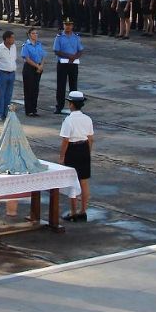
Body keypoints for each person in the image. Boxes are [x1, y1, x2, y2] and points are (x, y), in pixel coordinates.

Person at [59, 91, 95, 222]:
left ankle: (73, 212)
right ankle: (83, 211)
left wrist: (62, 156)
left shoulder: (68, 121)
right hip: (84, 148)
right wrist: (87, 152)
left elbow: (65, 141)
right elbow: (91, 138)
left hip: (72, 150)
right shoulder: (87, 119)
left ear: (71, 104)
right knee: (84, 181)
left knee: (72, 182)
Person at [53, 20, 83, 114]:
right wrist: (68, 56)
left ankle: (75, 106)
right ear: (64, 25)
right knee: (61, 86)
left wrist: (74, 57)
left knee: (73, 85)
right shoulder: (59, 37)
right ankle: (59, 106)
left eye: (70, 25)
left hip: (73, 64)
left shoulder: (76, 37)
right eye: (66, 25)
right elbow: (56, 51)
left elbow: (80, 50)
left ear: (72, 26)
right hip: (62, 64)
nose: (68, 27)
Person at [0, 30, 17, 121]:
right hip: (2, 73)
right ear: (6, 39)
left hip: (12, 73)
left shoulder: (13, 47)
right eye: (12, 38)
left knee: (8, 95)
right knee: (0, 95)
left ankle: (6, 114)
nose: (13, 39)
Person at [21, 28, 45, 117]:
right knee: (29, 89)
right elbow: (27, 58)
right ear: (29, 35)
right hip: (29, 68)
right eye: (33, 33)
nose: (35, 35)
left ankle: (34, 109)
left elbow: (43, 56)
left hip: (38, 67)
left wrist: (41, 66)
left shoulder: (39, 44)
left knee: (35, 89)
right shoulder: (26, 45)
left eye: (36, 33)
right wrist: (37, 66)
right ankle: (29, 110)